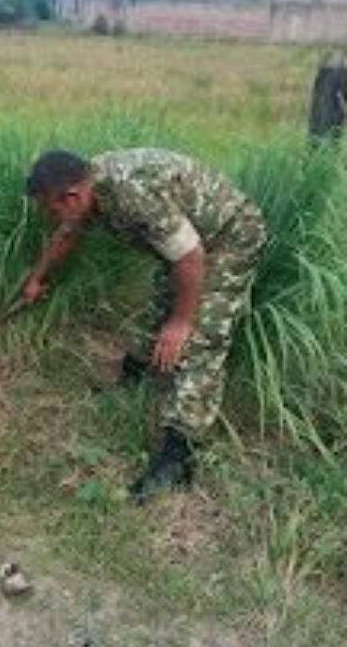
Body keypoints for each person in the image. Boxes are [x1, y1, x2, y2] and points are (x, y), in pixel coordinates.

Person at [23, 148, 266, 502]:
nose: (49, 217)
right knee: (158, 310)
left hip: (229, 237)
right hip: (189, 242)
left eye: (49, 209)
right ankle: (133, 379)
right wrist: (36, 279)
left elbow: (190, 257)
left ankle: (178, 457)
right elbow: (67, 233)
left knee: (200, 337)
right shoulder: (87, 189)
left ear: (72, 196)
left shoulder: (132, 194)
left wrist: (182, 322)